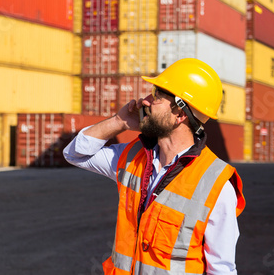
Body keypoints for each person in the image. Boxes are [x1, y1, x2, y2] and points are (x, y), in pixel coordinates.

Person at [63, 58, 246, 274]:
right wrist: (119, 122)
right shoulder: (132, 158)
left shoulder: (216, 184)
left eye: (157, 95)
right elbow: (74, 153)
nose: (146, 101)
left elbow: (222, 269)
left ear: (179, 113)